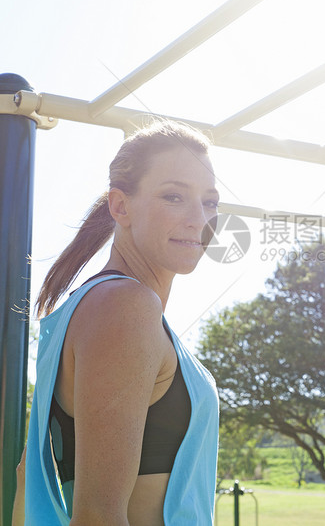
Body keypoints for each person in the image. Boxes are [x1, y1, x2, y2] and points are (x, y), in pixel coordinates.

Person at [13, 120, 221, 525]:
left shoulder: (107, 305)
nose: (200, 219)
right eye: (174, 196)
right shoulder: (123, 305)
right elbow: (98, 516)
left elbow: (26, 475)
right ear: (121, 206)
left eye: (210, 202)